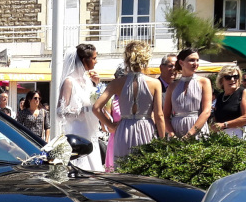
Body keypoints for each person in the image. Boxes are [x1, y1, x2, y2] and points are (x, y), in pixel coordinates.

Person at [95, 41, 165, 163]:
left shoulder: (117, 83)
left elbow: (96, 107)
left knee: (123, 169)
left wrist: (110, 126)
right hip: (146, 128)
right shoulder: (155, 83)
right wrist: (163, 141)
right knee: (145, 168)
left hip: (123, 129)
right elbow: (159, 115)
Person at [57, 43, 104, 171]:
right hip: (77, 131)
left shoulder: (88, 80)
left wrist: (96, 85)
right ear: (84, 60)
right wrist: (81, 111)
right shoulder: (69, 82)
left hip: (90, 131)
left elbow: (93, 100)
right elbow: (60, 111)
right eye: (94, 58)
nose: (96, 61)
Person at [162, 49, 212, 138]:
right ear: (181, 63)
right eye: (192, 60)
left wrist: (189, 135)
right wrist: (172, 135)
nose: (195, 63)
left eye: (197, 60)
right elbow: (165, 116)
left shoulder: (204, 82)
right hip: (176, 130)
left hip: (197, 129)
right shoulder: (172, 86)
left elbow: (206, 112)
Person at [210, 63, 246, 139]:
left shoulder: (244, 92)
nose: (233, 80)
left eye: (236, 77)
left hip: (240, 135)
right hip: (222, 137)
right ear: (221, 80)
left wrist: (224, 125)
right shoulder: (221, 96)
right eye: (228, 77)